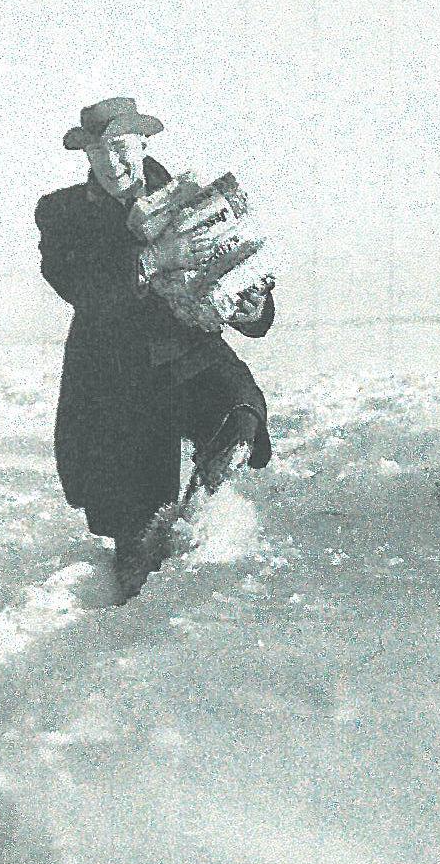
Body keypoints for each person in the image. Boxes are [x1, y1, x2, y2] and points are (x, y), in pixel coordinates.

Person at [36, 97, 276, 602]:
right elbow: (85, 290)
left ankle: (200, 512)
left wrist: (250, 305)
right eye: (99, 153)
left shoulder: (194, 204)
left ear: (144, 145)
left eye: (121, 148)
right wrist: (152, 259)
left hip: (189, 360)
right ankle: (131, 607)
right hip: (115, 382)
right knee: (135, 532)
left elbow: (252, 296)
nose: (113, 163)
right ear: (87, 159)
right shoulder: (62, 215)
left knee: (239, 410)